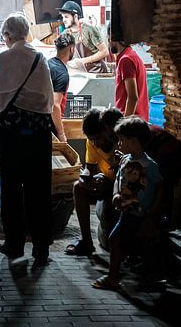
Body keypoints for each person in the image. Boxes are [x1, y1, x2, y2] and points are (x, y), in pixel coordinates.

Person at [0, 13, 54, 266]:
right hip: (39, 133)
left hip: (14, 134)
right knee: (40, 189)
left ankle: (15, 244)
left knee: (13, 190)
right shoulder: (40, 58)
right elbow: (47, 101)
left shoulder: (4, 58)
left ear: (7, 35)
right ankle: (41, 247)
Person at [91, 116, 162, 290]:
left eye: (122, 140)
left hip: (141, 213)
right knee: (128, 241)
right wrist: (115, 194)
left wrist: (152, 212)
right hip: (127, 212)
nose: (119, 143)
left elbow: (161, 187)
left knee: (117, 239)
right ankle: (152, 278)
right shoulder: (124, 159)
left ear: (134, 142)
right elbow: (118, 180)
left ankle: (113, 277)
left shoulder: (149, 165)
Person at [65, 107, 122, 256]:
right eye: (91, 140)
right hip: (104, 184)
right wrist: (86, 178)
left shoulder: (121, 143)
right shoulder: (92, 143)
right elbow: (89, 168)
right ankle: (86, 242)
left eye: (98, 138)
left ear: (107, 131)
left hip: (121, 188)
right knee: (78, 188)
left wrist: (108, 182)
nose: (95, 143)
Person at [57, 1, 108, 73]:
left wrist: (82, 61)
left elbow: (105, 52)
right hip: (80, 74)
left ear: (75, 16)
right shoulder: (64, 34)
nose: (64, 20)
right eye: (63, 17)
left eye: (66, 17)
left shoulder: (89, 30)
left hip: (96, 72)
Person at [109, 31, 149, 120]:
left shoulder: (125, 60)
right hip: (136, 119)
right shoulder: (130, 55)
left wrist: (123, 124)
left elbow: (133, 97)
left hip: (131, 122)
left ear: (114, 38)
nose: (109, 43)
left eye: (109, 39)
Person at [48, 32, 75, 142]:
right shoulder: (62, 74)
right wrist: (61, 133)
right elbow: (55, 105)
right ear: (71, 49)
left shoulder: (48, 63)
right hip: (51, 125)